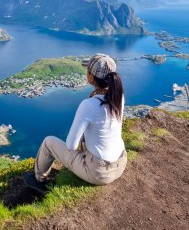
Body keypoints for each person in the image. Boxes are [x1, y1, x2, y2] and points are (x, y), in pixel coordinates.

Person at [24, 53, 127, 193]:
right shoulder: (118, 97)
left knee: (48, 142)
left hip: (99, 173)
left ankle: (38, 180)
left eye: (87, 71)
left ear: (91, 77)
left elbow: (71, 145)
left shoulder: (89, 105)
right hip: (120, 163)